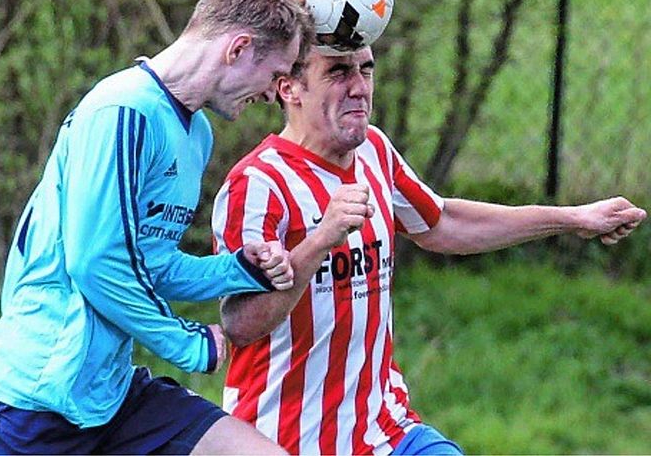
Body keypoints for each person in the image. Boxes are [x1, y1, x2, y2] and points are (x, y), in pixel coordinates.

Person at [0, 0, 316, 456]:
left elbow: (150, 262)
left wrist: (237, 270)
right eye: (274, 75)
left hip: (111, 400)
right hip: (31, 400)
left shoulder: (195, 134)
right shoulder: (121, 111)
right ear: (239, 48)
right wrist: (183, 342)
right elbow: (95, 262)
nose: (274, 93)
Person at [211, 44, 647, 455]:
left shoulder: (375, 153)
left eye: (366, 68)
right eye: (339, 72)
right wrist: (320, 241)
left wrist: (573, 218)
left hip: (386, 431)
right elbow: (243, 324)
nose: (360, 86)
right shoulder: (256, 186)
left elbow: (443, 222)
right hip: (281, 439)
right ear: (289, 87)